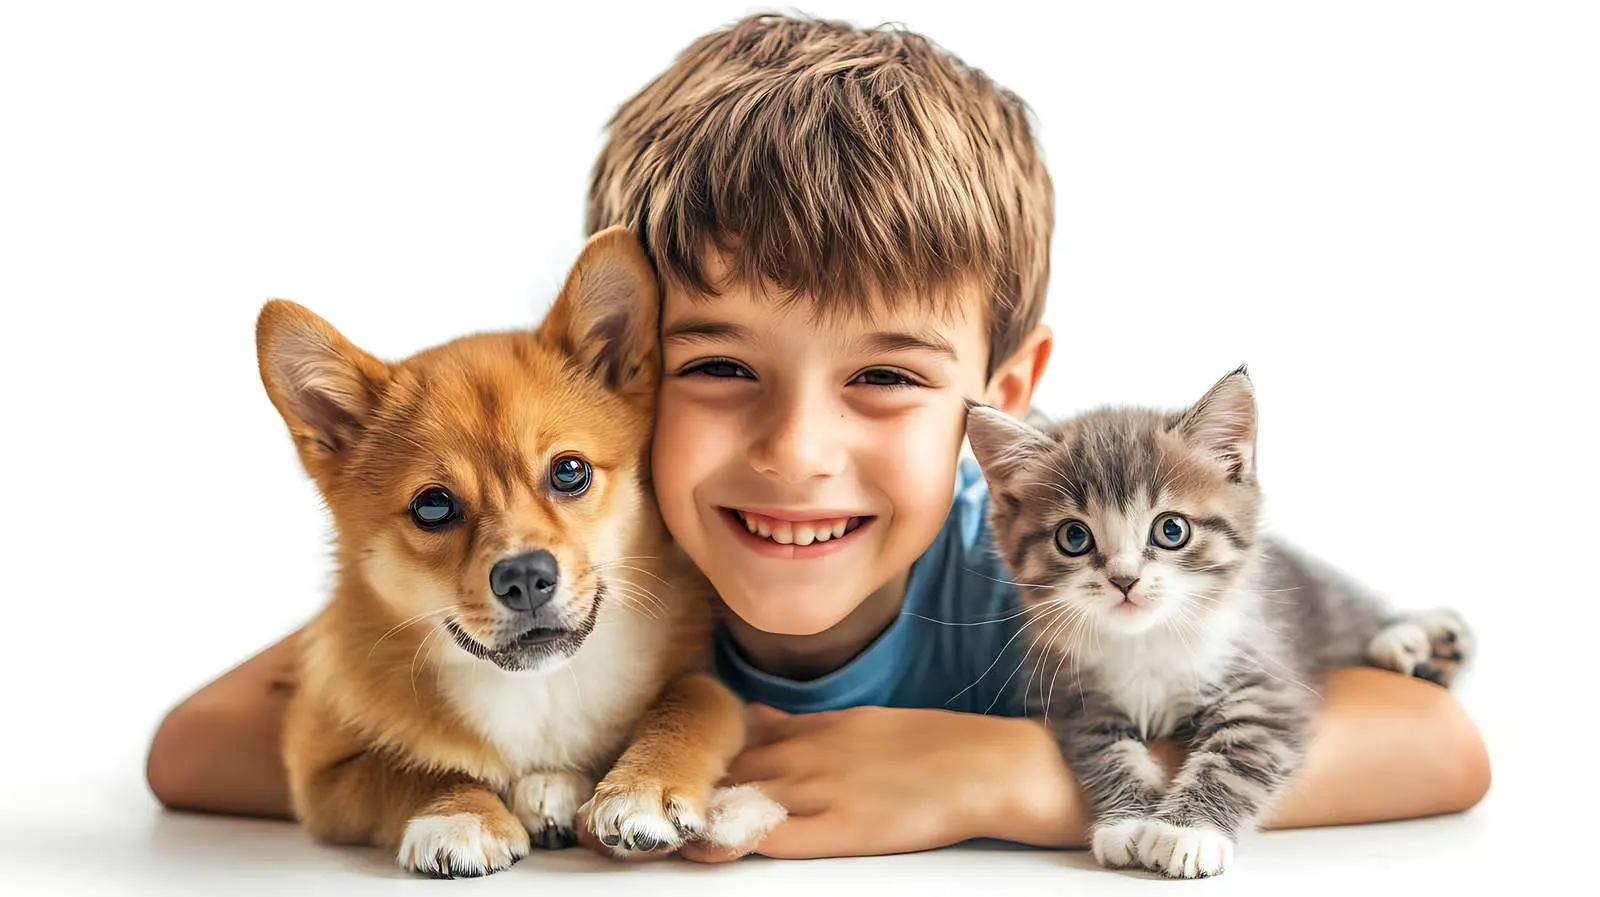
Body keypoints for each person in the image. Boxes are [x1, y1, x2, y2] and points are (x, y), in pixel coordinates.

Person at [147, 12, 1490, 861]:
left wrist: (1015, 777)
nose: (797, 450)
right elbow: (199, 743)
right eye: (721, 366)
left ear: (1003, 404)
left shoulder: (1035, 578)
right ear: (623, 376)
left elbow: (1438, 745)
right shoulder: (581, 567)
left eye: (887, 379)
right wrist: (504, 783)